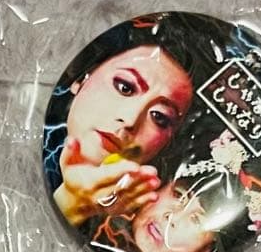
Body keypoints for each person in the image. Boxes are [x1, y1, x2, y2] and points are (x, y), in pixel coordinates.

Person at [49, 42, 193, 228]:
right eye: (125, 87)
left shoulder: (142, 226)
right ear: (82, 78)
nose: (130, 119)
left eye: (159, 116)